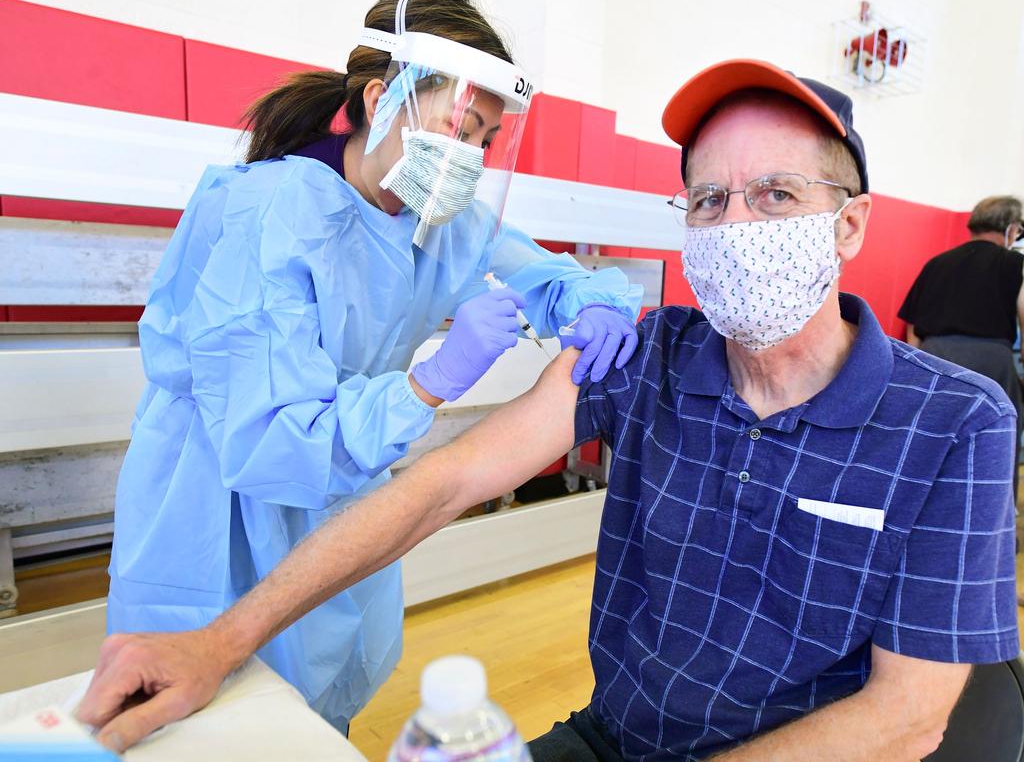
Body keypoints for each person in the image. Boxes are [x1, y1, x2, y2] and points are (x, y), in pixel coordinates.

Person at [79, 60, 1018, 761]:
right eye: (706, 199)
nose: (736, 228)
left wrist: (572, 296)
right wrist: (220, 637)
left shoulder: (956, 423)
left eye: (777, 195)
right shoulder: (650, 355)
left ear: (849, 222)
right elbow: (444, 484)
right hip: (616, 740)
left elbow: (907, 717)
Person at [105, 0, 642, 736]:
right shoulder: (271, 213)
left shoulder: (439, 224)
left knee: (318, 714)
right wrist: (429, 381)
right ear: (381, 98)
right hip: (216, 497)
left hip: (342, 483)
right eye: (459, 125)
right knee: (203, 719)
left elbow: (547, 274)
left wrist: (598, 303)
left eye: (485, 139)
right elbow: (267, 444)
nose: (468, 157)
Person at [899, 196, 1024, 503]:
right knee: (996, 443)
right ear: (1010, 228)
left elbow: (912, 328)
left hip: (934, 358)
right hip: (991, 363)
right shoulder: (1015, 264)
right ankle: (993, 523)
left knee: (928, 443)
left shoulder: (937, 263)